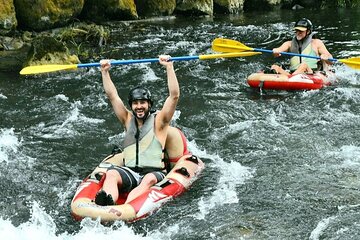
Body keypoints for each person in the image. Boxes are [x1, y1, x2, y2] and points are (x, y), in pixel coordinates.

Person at [95, 55, 180, 206]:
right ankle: (107, 202)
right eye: (135, 103)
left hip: (154, 173)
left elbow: (174, 96)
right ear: (131, 105)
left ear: (149, 104)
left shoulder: (160, 121)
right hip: (131, 172)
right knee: (112, 174)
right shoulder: (127, 119)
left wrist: (169, 67)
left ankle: (126, 208)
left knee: (148, 180)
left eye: (142, 103)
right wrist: (105, 72)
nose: (139, 106)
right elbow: (112, 96)